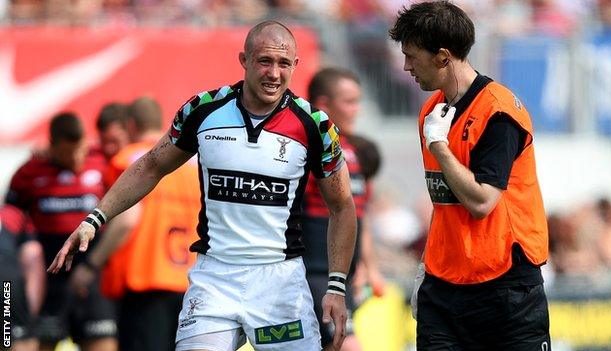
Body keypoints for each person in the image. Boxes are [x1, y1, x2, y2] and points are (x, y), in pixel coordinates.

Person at [48, 20, 357, 351]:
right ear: (244, 60)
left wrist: (336, 286)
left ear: (296, 65)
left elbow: (342, 206)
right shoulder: (205, 110)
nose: (274, 73)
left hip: (279, 284)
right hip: (215, 279)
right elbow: (151, 165)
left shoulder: (314, 125)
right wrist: (95, 218)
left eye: (284, 64)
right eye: (265, 61)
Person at [389, 2, 550, 350]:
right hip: (444, 286)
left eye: (412, 56)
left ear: (443, 57)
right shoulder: (432, 111)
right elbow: (443, 199)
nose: (406, 67)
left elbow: (481, 202)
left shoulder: (499, 111)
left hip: (505, 288)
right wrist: (426, 265)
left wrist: (441, 148)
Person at [68, 97, 201, 351]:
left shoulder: (127, 159)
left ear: (130, 125)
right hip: (190, 283)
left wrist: (92, 265)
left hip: (145, 280)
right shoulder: (193, 164)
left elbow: (127, 218)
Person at [5, 112, 118, 351]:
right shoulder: (30, 171)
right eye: (68, 152)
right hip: (50, 279)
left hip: (92, 277)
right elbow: (11, 222)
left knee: (103, 343)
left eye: (80, 150)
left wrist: (92, 265)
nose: (76, 158)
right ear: (53, 147)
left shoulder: (102, 161)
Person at [302, 67, 384, 351]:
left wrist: (366, 265)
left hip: (344, 278)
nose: (356, 110)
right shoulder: (305, 148)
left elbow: (361, 215)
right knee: (347, 345)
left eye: (358, 101)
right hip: (314, 273)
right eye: (349, 102)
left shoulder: (356, 151)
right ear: (324, 105)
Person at [0, 205, 45, 351]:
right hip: (7, 287)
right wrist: (29, 313)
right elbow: (33, 255)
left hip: (6, 287)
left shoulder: (12, 215)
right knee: (16, 340)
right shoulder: (13, 214)